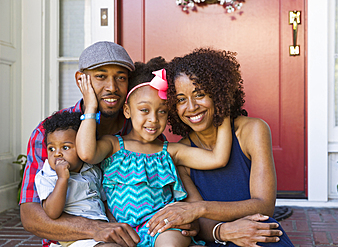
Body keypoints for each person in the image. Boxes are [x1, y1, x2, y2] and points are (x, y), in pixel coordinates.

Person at [75, 57, 232, 247]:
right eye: (144, 110)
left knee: (170, 244)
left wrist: (223, 107)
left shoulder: (170, 151)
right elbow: (86, 153)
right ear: (127, 110)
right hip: (123, 231)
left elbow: (218, 158)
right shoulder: (113, 145)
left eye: (162, 111)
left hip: (163, 227)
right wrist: (91, 107)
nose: (153, 119)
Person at [147, 48, 295, 246]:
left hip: (258, 234)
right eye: (181, 99)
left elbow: (264, 205)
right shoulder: (181, 153)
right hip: (218, 239)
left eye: (199, 94)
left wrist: (199, 209)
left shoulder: (252, 131)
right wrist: (224, 231)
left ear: (218, 94)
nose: (191, 107)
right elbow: (199, 225)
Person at [20, 41, 142, 247]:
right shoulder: (51, 134)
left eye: (120, 78)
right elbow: (31, 215)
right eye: (101, 77)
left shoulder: (140, 131)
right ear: (81, 80)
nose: (112, 87)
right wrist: (96, 228)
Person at [35, 111, 119, 247]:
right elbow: (52, 212)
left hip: (100, 230)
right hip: (73, 236)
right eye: (51, 148)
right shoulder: (47, 176)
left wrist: (113, 222)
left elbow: (103, 201)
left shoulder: (92, 170)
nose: (57, 153)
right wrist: (62, 179)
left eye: (65, 147)